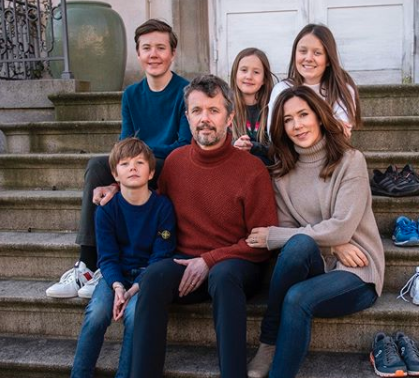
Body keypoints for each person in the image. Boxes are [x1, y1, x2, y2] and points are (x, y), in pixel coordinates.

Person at [129, 74, 278, 378]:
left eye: (213, 110)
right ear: (187, 116)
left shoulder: (252, 170)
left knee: (223, 276)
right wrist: (114, 190)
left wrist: (209, 260)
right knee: (154, 276)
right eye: (197, 111)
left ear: (230, 116)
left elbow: (262, 240)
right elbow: (155, 213)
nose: (204, 119)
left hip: (238, 266)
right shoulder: (174, 162)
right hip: (186, 264)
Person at [46, 19, 191, 299]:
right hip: (141, 163)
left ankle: (94, 265)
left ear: (173, 53)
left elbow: (182, 145)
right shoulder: (132, 94)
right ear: (138, 54)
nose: (154, 54)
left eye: (161, 48)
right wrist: (120, 175)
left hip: (170, 165)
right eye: (146, 48)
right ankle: (87, 266)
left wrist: (135, 162)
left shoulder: (184, 91)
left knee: (135, 162)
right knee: (98, 165)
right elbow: (123, 145)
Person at [246, 86, 385, 378]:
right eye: (287, 119)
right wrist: (333, 245)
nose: (297, 125)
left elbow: (341, 226)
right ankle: (269, 344)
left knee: (297, 297)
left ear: (319, 117)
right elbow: (294, 233)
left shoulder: (350, 161)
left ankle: (270, 346)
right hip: (319, 261)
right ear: (280, 128)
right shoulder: (281, 172)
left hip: (357, 271)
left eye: (303, 115)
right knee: (296, 246)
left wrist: (272, 236)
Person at [70, 138, 176, 378]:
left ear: (151, 173)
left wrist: (134, 289)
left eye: (140, 162)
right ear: (114, 174)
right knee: (96, 313)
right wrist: (118, 287)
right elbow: (106, 257)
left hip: (147, 278)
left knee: (134, 315)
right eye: (125, 163)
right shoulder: (107, 210)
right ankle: (80, 374)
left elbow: (162, 254)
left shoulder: (163, 208)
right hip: (115, 276)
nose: (133, 167)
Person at [267, 23, 361, 138]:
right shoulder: (282, 89)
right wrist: (329, 124)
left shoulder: (342, 90)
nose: (308, 58)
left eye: (317, 53)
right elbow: (274, 135)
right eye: (303, 51)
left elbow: (341, 135)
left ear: (328, 60)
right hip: (289, 155)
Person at [230, 47, 277, 165]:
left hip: (266, 172)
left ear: (264, 79)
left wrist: (253, 146)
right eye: (244, 70)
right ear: (235, 74)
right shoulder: (226, 107)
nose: (249, 76)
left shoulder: (272, 108)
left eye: (256, 72)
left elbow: (278, 149)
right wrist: (233, 145)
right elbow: (217, 144)